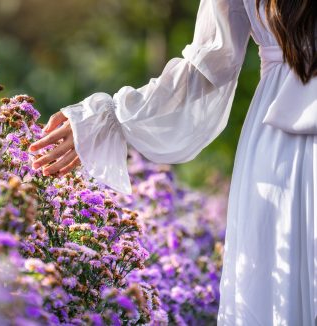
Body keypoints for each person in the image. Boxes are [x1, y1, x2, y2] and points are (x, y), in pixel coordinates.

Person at [28, 0, 316, 324]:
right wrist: (109, 120)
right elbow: (205, 68)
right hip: (284, 149)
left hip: (280, 145)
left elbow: (206, 68)